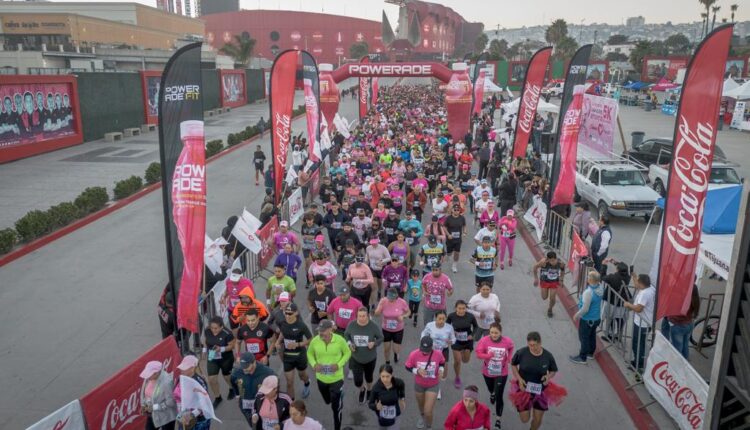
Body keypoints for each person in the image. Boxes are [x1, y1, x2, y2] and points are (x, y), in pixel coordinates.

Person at [510, 332, 564, 430]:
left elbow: (553, 370)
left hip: (541, 391)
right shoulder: (521, 352)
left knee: (537, 420)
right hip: (524, 390)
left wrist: (548, 376)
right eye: (529, 345)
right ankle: (528, 408)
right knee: (525, 419)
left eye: (534, 345)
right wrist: (519, 378)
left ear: (540, 343)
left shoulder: (548, 356)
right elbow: (513, 364)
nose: (532, 347)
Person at [307, 319, 351, 430]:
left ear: (331, 330)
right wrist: (314, 364)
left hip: (336, 378)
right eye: (319, 331)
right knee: (327, 401)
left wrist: (339, 364)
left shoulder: (340, 340)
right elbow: (309, 353)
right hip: (321, 378)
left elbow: (347, 353)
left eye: (323, 331)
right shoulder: (315, 340)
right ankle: (335, 397)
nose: (321, 333)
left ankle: (337, 427)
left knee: (336, 408)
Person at [475, 322, 514, 429]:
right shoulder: (484, 340)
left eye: (496, 333)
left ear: (500, 332)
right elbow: (478, 354)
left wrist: (509, 357)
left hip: (502, 372)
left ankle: (498, 419)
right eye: (492, 332)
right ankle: (492, 393)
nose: (494, 335)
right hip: (487, 371)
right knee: (491, 389)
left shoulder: (507, 341)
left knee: (499, 395)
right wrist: (488, 355)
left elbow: (511, 347)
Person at [345, 306, 384, 403]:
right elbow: (346, 335)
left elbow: (380, 338)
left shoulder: (373, 326)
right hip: (356, 358)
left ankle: (370, 390)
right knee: (357, 381)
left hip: (370, 358)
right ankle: (362, 389)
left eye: (363, 316)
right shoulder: (352, 325)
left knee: (369, 377)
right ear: (356, 316)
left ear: (368, 316)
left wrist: (374, 343)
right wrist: (349, 344)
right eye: (359, 316)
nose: (361, 318)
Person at [406, 336, 446, 430]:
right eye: (423, 349)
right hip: (419, 384)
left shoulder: (438, 354)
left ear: (432, 347)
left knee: (428, 410)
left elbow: (442, 362)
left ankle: (429, 426)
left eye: (427, 350)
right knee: (421, 407)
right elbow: (407, 366)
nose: (425, 352)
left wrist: (441, 369)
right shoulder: (414, 354)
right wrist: (417, 371)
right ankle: (422, 416)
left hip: (433, 385)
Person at [275, 303, 313, 399]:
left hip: (300, 355)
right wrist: (278, 342)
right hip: (288, 356)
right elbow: (283, 333)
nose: (287, 315)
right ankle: (291, 404)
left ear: (296, 313)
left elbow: (310, 339)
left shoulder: (301, 325)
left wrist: (298, 344)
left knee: (302, 376)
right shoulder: (283, 322)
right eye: (286, 313)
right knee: (289, 383)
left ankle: (307, 383)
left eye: (290, 313)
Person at [231, 352, 276, 425]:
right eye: (243, 366)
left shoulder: (267, 372)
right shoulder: (237, 371)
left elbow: (275, 382)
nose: (244, 369)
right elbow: (233, 381)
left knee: (262, 424)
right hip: (245, 405)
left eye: (247, 367)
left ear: (254, 362)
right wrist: (237, 395)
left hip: (261, 404)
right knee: (252, 423)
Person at [624, 273, 656, 378]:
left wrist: (629, 305)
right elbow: (638, 286)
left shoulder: (644, 294)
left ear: (641, 284)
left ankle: (638, 364)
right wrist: (634, 276)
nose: (636, 283)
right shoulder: (650, 288)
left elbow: (638, 308)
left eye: (637, 281)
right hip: (646, 322)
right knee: (639, 342)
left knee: (638, 343)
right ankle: (638, 361)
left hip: (642, 324)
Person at [569, 271, 604, 364]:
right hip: (596, 318)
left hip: (587, 319)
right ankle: (590, 353)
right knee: (592, 335)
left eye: (588, 276)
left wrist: (576, 315)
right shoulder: (600, 287)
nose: (587, 277)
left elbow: (585, 309)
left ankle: (582, 357)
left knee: (584, 337)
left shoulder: (588, 293)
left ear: (591, 280)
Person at [203, 316, 236, 407]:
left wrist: (221, 349)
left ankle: (231, 388)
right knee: (212, 379)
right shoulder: (207, 330)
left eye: (216, 328)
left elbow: (232, 346)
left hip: (226, 358)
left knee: (227, 377)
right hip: (212, 357)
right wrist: (204, 351)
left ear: (221, 327)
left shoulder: (228, 333)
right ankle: (218, 397)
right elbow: (206, 341)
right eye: (212, 328)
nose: (213, 330)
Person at [661, 284, 700, 359]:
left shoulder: (682, 300)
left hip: (678, 326)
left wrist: (669, 317)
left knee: (677, 348)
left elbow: (674, 314)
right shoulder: (695, 300)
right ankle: (685, 361)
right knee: (685, 345)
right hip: (689, 324)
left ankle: (677, 366)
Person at [375, 287, 411, 365]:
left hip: (398, 329)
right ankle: (387, 362)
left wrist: (403, 316)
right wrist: (379, 308)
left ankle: (396, 354)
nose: (390, 300)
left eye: (392, 298)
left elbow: (408, 312)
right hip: (386, 328)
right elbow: (376, 314)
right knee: (386, 349)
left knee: (396, 349)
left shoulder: (402, 302)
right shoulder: (383, 301)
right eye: (389, 298)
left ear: (396, 296)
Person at [447, 300, 479, 389]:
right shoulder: (451, 316)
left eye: (463, 308)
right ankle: (457, 377)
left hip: (467, 341)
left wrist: (472, 335)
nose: (461, 310)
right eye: (459, 308)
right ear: (455, 308)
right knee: (458, 361)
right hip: (456, 341)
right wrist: (449, 337)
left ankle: (462, 353)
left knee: (465, 360)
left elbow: (476, 327)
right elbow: (446, 327)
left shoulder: (470, 316)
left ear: (466, 308)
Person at [173, 355, 210, 430]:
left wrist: (191, 415)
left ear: (192, 368)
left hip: (198, 421)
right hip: (183, 418)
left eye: (185, 368)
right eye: (182, 367)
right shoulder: (181, 378)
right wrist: (181, 414)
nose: (182, 370)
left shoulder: (199, 383)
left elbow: (203, 403)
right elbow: (177, 396)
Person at [601, 261, 632, 343]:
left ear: (617, 269)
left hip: (611, 301)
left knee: (610, 318)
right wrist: (615, 262)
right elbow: (623, 269)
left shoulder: (612, 277)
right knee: (620, 319)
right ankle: (619, 334)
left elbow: (603, 277)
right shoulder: (627, 277)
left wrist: (604, 265)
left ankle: (610, 335)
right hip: (622, 303)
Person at [139, 361, 177, 430]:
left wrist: (154, 407)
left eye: (149, 374)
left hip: (167, 418)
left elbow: (171, 402)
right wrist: (144, 405)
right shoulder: (148, 378)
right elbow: (144, 393)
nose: (147, 377)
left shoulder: (166, 382)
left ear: (156, 373)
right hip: (153, 415)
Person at [368, 364, 407, 430]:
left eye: (387, 376)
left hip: (395, 414)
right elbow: (370, 404)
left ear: (392, 375)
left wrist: (402, 398)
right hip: (382, 417)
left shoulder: (398, 382)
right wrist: (376, 407)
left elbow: (402, 386)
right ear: (379, 375)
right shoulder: (376, 388)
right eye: (382, 376)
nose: (385, 379)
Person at [532, 251, 566, 318]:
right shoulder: (543, 262)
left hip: (554, 282)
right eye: (551, 261)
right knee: (544, 297)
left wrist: (561, 280)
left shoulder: (560, 263)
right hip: (545, 281)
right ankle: (546, 295)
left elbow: (563, 270)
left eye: (554, 260)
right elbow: (535, 267)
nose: (552, 262)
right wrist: (536, 278)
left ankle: (550, 309)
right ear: (548, 259)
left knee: (552, 298)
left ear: (556, 258)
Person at [444, 205, 467, 273]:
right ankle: (448, 255)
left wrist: (465, 232)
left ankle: (454, 266)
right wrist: (448, 235)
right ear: (452, 210)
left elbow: (464, 225)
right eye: (455, 210)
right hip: (450, 238)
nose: (456, 211)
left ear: (459, 211)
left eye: (458, 210)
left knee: (457, 252)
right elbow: (444, 227)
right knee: (449, 253)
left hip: (458, 239)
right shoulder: (448, 218)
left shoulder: (462, 218)